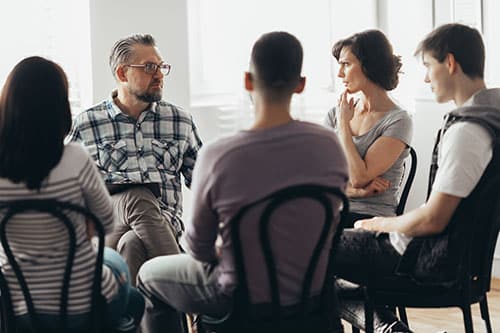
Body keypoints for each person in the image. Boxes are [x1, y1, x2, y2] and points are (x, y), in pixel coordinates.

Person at [136, 31, 349, 333]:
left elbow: (198, 248)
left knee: (148, 275)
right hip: (312, 296)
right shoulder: (330, 145)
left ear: (248, 81)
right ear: (300, 85)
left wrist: (227, 248)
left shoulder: (219, 155)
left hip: (239, 299)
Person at [332, 23, 500, 332]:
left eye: (428, 66)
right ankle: (386, 327)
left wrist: (378, 224)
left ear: (449, 63)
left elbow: (432, 220)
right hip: (444, 255)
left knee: (308, 251)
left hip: (419, 257)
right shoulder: (491, 119)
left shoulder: (467, 132)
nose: (425, 78)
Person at [0, 57, 144, 331]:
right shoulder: (75, 158)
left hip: (17, 308)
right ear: (59, 107)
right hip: (83, 304)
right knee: (123, 277)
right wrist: (72, 230)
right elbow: (105, 222)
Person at [67, 34, 203, 284]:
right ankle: (187, 295)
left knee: (132, 243)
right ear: (122, 73)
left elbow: (203, 183)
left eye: (161, 67)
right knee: (137, 198)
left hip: (165, 225)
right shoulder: (87, 124)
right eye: (150, 67)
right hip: (108, 227)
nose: (160, 74)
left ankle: (127, 321)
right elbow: (69, 190)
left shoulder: (179, 121)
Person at [324, 29, 413, 227]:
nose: (339, 74)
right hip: (332, 213)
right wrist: (358, 192)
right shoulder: (335, 113)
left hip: (370, 220)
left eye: (346, 65)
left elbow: (358, 176)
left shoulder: (398, 120)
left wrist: (343, 128)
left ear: (369, 66)